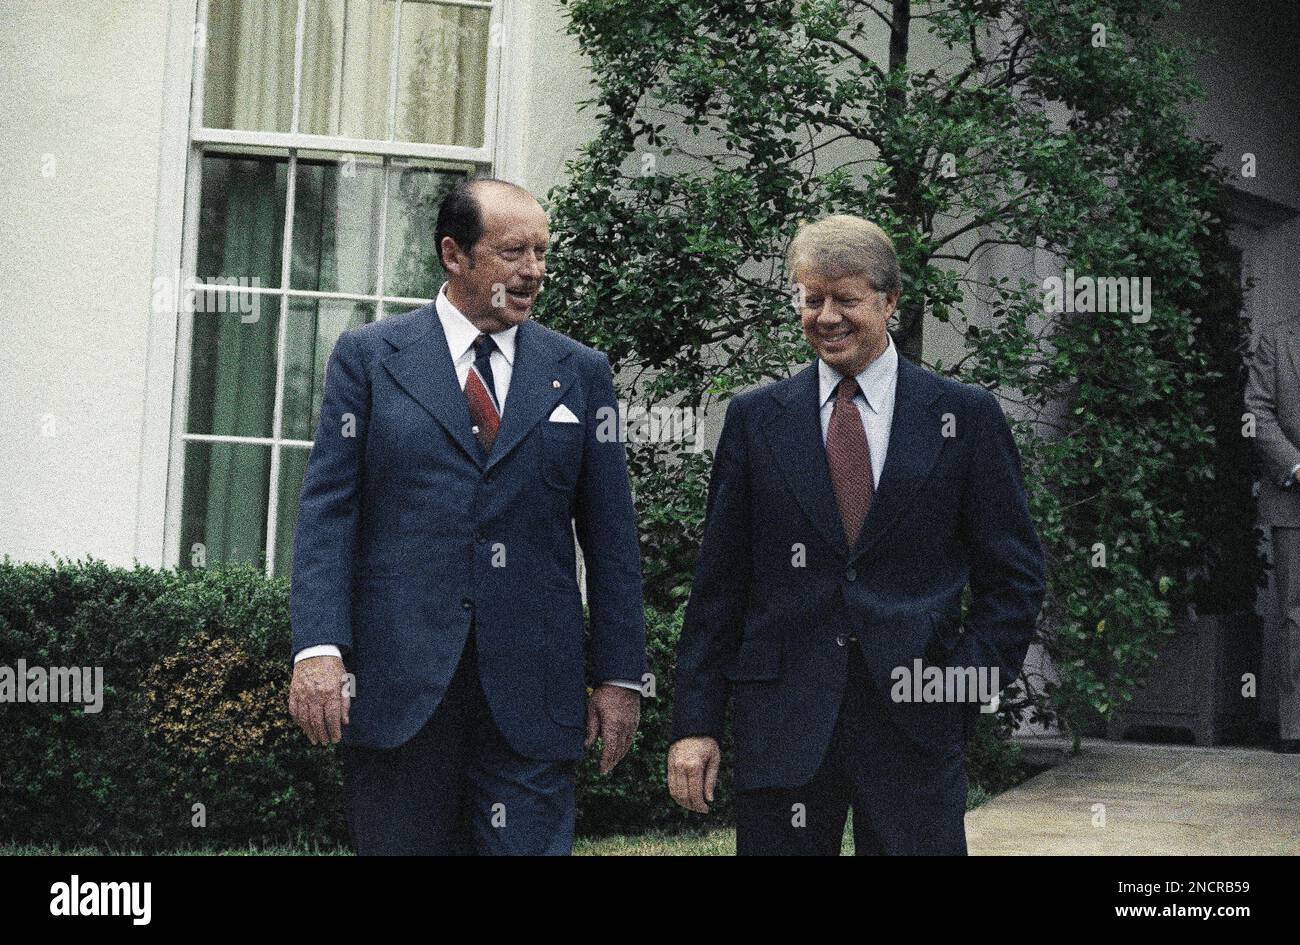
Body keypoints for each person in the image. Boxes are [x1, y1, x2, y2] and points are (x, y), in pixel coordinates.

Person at [288, 178, 647, 854]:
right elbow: (327, 514)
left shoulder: (579, 371)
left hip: (533, 696)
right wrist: (318, 647)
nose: (534, 270)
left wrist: (621, 674)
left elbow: (612, 538)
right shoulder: (369, 360)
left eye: (542, 252)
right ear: (454, 254)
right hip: (401, 691)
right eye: (514, 251)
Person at [667, 214, 1046, 854]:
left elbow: (1014, 577)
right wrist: (695, 724)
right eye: (812, 299)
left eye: (846, 299)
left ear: (889, 301)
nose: (827, 316)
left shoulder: (963, 416)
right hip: (782, 724)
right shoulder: (757, 419)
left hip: (917, 723)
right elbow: (719, 587)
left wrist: (964, 684)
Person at [1244, 315, 1300, 754]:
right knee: (1296, 612)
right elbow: (1257, 411)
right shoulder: (1277, 339)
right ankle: (1295, 726)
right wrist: (1295, 467)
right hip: (1293, 500)